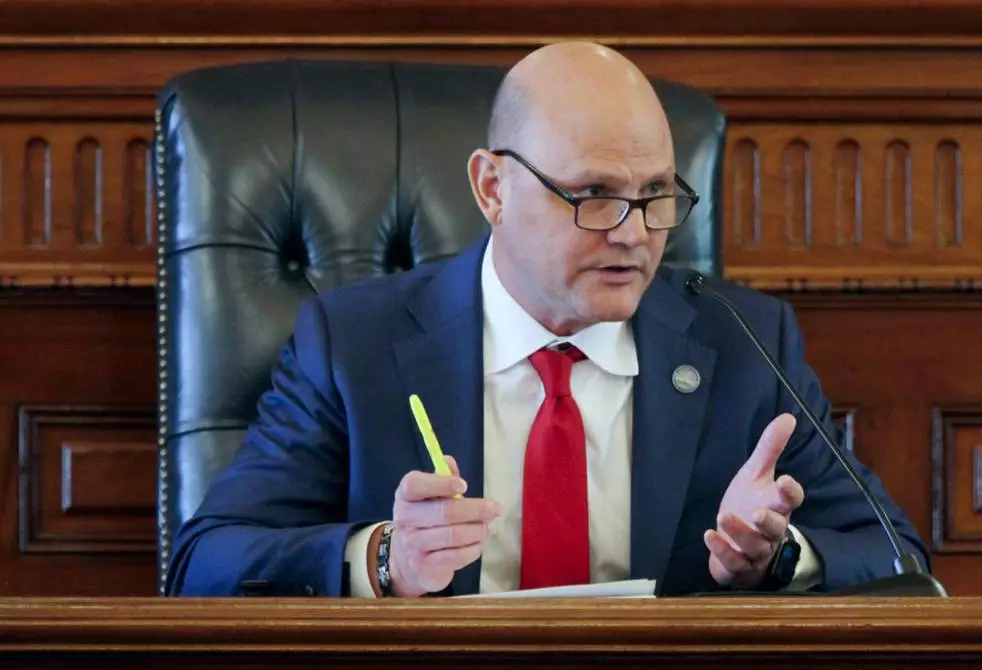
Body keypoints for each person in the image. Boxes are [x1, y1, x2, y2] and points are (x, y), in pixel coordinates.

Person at [165, 42, 929, 598]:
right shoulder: (355, 345)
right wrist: (383, 557)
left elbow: (899, 555)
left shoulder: (744, 342)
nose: (634, 232)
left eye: (657, 194)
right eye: (594, 194)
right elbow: (206, 562)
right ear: (492, 188)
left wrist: (779, 558)